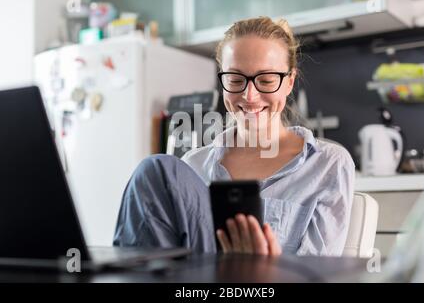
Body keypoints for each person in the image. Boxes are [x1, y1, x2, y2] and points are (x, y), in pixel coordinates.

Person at [113, 17, 355, 256]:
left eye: (266, 80)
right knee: (156, 168)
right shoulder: (192, 165)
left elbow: (319, 276)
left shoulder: (328, 164)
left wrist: (264, 270)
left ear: (289, 82)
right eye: (236, 79)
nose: (250, 96)